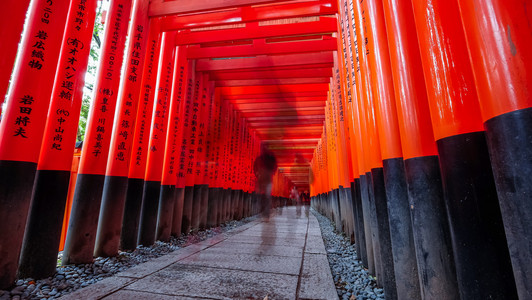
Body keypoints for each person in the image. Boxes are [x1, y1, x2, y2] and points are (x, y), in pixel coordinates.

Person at [254, 144, 278, 219]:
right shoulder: (260, 158)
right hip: (262, 178)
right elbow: (255, 167)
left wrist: (272, 172)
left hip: (267, 178)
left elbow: (275, 166)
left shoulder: (270, 158)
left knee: (266, 196)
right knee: (261, 196)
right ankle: (263, 211)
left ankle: (266, 212)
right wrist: (257, 174)